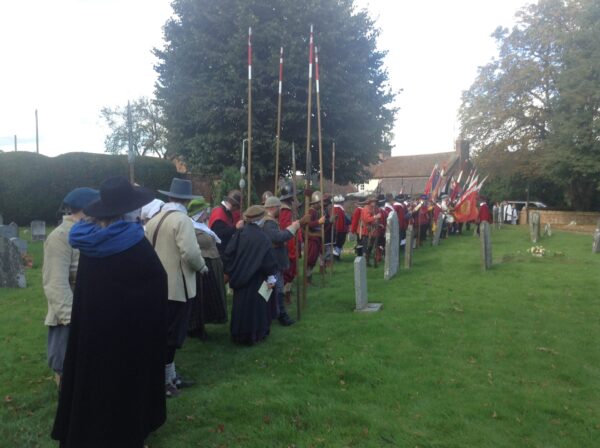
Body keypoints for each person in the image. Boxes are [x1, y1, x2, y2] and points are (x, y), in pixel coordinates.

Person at [51, 176, 167, 448]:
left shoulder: (89, 243)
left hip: (92, 335)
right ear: (128, 210)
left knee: (93, 386)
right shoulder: (135, 246)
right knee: (123, 389)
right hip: (127, 338)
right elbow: (156, 286)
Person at [146, 178, 207, 397]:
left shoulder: (154, 219)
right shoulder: (182, 220)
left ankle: (170, 377)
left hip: (156, 285)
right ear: (185, 200)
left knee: (163, 334)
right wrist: (202, 267)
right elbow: (190, 252)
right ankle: (165, 383)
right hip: (176, 286)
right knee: (171, 336)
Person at [43, 187, 99, 387]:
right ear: (87, 209)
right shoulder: (60, 237)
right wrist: (74, 319)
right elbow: (55, 285)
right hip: (70, 318)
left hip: (92, 312)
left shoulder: (92, 231)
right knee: (67, 369)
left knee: (89, 369)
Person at [223, 205, 278, 345]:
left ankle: (238, 335)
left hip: (239, 278)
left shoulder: (239, 234)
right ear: (260, 219)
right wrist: (271, 276)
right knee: (255, 308)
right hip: (256, 279)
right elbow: (268, 261)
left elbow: (228, 254)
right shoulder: (263, 238)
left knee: (240, 307)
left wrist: (232, 271)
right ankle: (254, 335)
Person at [263, 196, 307, 326]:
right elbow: (278, 237)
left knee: (277, 289)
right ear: (272, 208)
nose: (280, 211)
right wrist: (296, 225)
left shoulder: (271, 221)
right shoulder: (268, 222)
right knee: (277, 290)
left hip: (274, 260)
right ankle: (281, 315)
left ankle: (275, 314)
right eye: (278, 208)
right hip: (273, 261)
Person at [187, 198, 228, 340]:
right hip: (203, 265)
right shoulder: (192, 228)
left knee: (208, 298)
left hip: (211, 263)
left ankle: (199, 326)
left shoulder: (201, 226)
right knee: (201, 298)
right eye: (204, 211)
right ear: (198, 213)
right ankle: (196, 328)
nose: (207, 213)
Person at [278, 184, 301, 304]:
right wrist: (292, 251)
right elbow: (287, 232)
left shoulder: (289, 211)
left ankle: (285, 297)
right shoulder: (285, 212)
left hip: (291, 248)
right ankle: (281, 299)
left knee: (289, 274)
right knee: (285, 275)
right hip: (287, 249)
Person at [209, 189, 243, 256]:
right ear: (234, 205)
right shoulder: (218, 213)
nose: (237, 210)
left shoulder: (227, 212)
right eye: (237, 207)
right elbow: (220, 233)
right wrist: (236, 227)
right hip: (219, 251)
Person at [305, 191, 326, 282]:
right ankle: (307, 279)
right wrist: (318, 222)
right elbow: (308, 224)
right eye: (320, 203)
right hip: (311, 239)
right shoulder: (311, 211)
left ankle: (309, 278)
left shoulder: (316, 211)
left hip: (316, 238)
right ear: (316, 203)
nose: (321, 205)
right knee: (310, 260)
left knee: (313, 261)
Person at [359, 196, 382, 267]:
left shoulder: (374, 208)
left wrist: (378, 223)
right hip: (366, 231)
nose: (374, 203)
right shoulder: (366, 208)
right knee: (366, 248)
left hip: (372, 231)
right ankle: (364, 263)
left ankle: (367, 262)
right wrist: (375, 217)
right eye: (373, 201)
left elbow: (373, 220)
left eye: (375, 201)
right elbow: (366, 219)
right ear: (370, 202)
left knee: (370, 247)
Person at [332, 195, 348, 260]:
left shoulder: (338, 209)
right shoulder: (338, 209)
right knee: (338, 243)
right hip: (339, 230)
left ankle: (337, 256)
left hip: (338, 229)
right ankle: (336, 257)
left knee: (338, 244)